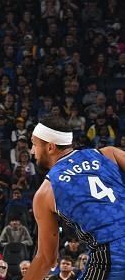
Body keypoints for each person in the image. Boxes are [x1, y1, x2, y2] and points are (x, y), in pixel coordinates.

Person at [23, 115, 125, 280]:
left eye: (34, 145)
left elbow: (46, 260)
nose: (32, 151)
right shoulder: (108, 153)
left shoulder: (46, 191)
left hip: (112, 255)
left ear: (50, 147)